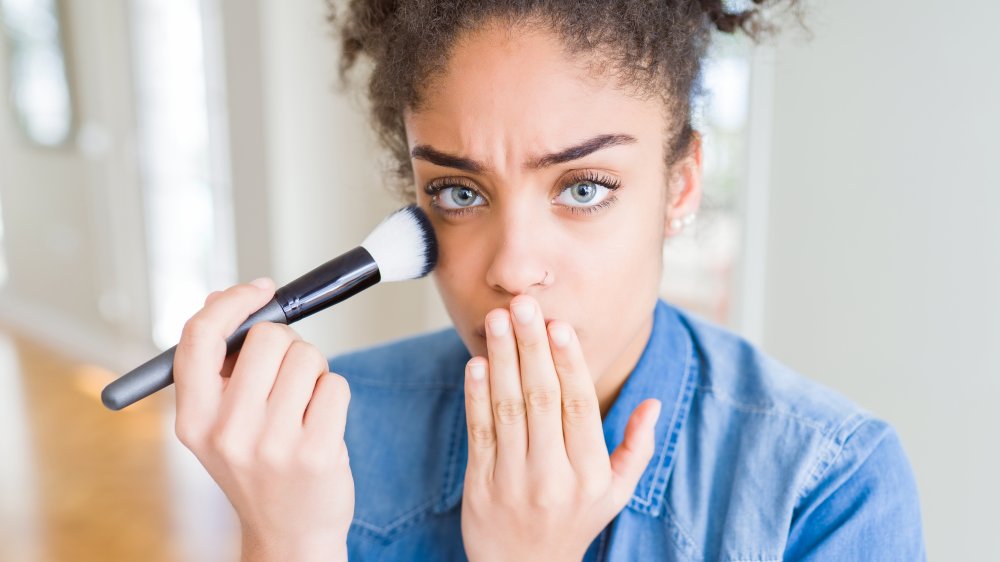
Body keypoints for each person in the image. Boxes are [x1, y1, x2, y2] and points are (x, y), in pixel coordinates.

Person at [172, 1, 927, 560]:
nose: (511, 269)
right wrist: (287, 542)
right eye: (459, 193)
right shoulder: (329, 432)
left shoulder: (828, 487)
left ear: (683, 185)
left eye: (585, 187)